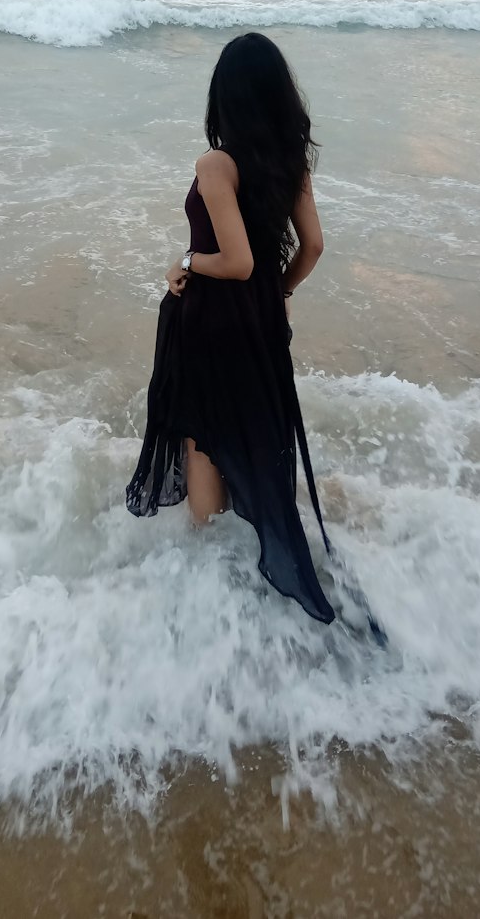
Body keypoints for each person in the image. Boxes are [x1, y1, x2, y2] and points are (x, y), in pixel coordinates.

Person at [125, 31, 337, 624]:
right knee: (256, 429)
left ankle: (207, 569)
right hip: (263, 322)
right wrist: (282, 292)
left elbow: (236, 262)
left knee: (203, 439)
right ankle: (260, 556)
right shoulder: (290, 161)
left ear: (226, 96)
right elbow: (314, 246)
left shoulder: (217, 164)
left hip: (214, 320)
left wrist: (186, 261)